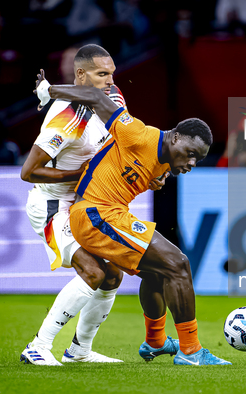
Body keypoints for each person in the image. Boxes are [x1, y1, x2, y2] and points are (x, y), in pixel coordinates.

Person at [34, 69, 231, 366]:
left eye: (198, 159)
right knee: (178, 264)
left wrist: (158, 175)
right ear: (175, 137)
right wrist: (49, 90)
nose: (191, 162)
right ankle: (190, 351)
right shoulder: (137, 133)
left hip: (107, 214)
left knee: (156, 272)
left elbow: (129, 164)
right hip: (94, 214)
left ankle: (154, 343)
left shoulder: (163, 162)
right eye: (190, 153)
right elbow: (94, 96)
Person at [19, 44, 169, 366]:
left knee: (113, 276)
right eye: (103, 74)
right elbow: (28, 172)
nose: (110, 81)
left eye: (113, 73)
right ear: (81, 75)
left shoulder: (113, 99)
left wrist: (148, 174)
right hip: (53, 204)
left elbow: (123, 144)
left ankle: (79, 352)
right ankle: (38, 347)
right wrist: (81, 173)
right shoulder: (66, 115)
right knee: (92, 272)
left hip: (86, 205)